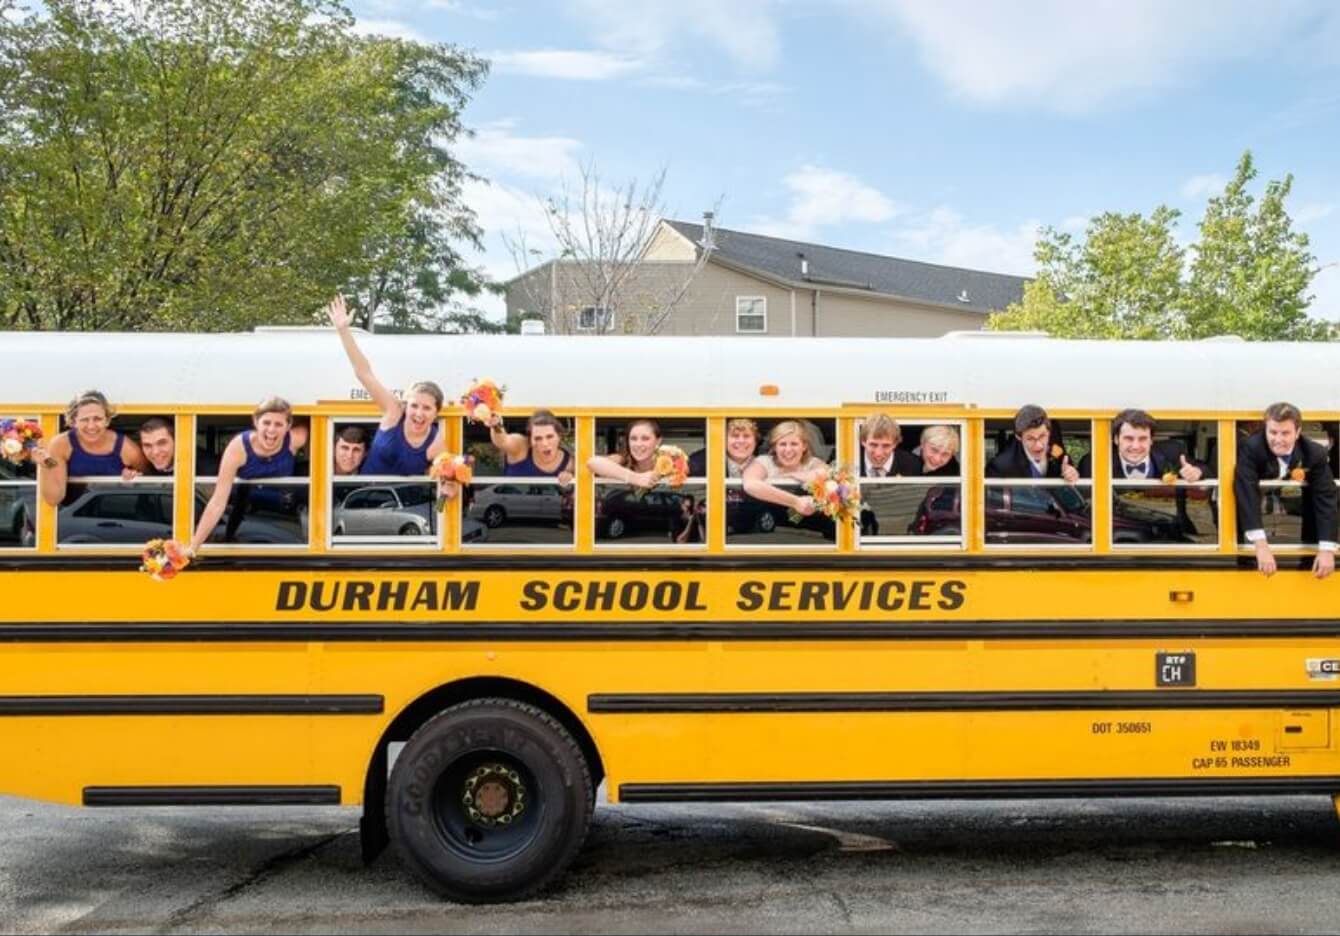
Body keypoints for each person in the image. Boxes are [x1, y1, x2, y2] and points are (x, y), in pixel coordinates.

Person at [326, 295, 447, 475]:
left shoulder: (438, 440)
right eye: (414, 405)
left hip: (404, 503)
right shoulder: (393, 413)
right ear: (406, 405)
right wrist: (343, 330)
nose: (419, 413)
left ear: (437, 412)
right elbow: (364, 374)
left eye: (427, 408)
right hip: (361, 498)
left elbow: (443, 488)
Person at [188, 397, 309, 553]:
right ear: (255, 422)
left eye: (278, 424)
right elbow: (218, 502)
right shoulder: (238, 448)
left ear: (288, 426)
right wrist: (193, 547)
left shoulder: (296, 439)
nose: (271, 430)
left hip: (284, 505)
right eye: (266, 422)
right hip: (245, 501)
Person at [1233, 402, 1336, 579]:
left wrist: (1327, 549)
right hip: (1252, 512)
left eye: (1285, 433)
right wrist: (1261, 545)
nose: (1278, 439)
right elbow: (1246, 492)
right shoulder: (1251, 447)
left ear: (1297, 433)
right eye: (1272, 432)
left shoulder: (1315, 453)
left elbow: (1326, 497)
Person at [35, 390, 147, 505]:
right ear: (74, 422)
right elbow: (53, 499)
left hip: (119, 512)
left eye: (97, 419)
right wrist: (45, 465)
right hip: (71, 516)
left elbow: (152, 481)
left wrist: (133, 477)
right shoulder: (61, 444)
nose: (91, 426)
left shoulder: (126, 448)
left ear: (107, 420)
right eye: (84, 420)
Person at [1077, 409, 1207, 481]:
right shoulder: (1093, 463)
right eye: (1129, 438)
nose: (1135, 446)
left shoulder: (1172, 452)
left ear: (1151, 440)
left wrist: (1197, 472)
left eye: (1143, 439)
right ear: (1116, 439)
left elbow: (1209, 470)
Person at [741, 420, 828, 517]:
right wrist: (796, 502)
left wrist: (805, 475)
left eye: (794, 444)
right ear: (774, 447)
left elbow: (826, 473)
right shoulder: (764, 462)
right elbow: (751, 484)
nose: (788, 450)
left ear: (804, 446)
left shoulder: (812, 462)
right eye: (782, 444)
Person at [986, 404, 1079, 483]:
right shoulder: (1000, 466)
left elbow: (1068, 472)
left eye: (1042, 436)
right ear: (1019, 437)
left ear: (1049, 433)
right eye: (1030, 439)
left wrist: (1071, 474)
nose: (1038, 445)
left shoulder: (1058, 453)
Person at [489, 409, 574, 484]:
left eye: (549, 437)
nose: (544, 443)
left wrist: (570, 479)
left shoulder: (569, 463)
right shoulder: (521, 446)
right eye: (538, 438)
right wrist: (496, 425)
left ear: (559, 436)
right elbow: (502, 441)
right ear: (530, 439)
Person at [586, 418, 665, 489]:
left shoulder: (668, 463)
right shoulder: (623, 459)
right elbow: (593, 462)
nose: (638, 444)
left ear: (658, 441)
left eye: (645, 439)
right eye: (633, 439)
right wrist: (637, 478)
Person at [688, 418, 760, 478]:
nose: (741, 441)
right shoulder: (700, 464)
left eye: (746, 436)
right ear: (723, 440)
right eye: (735, 436)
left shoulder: (767, 465)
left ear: (756, 441)